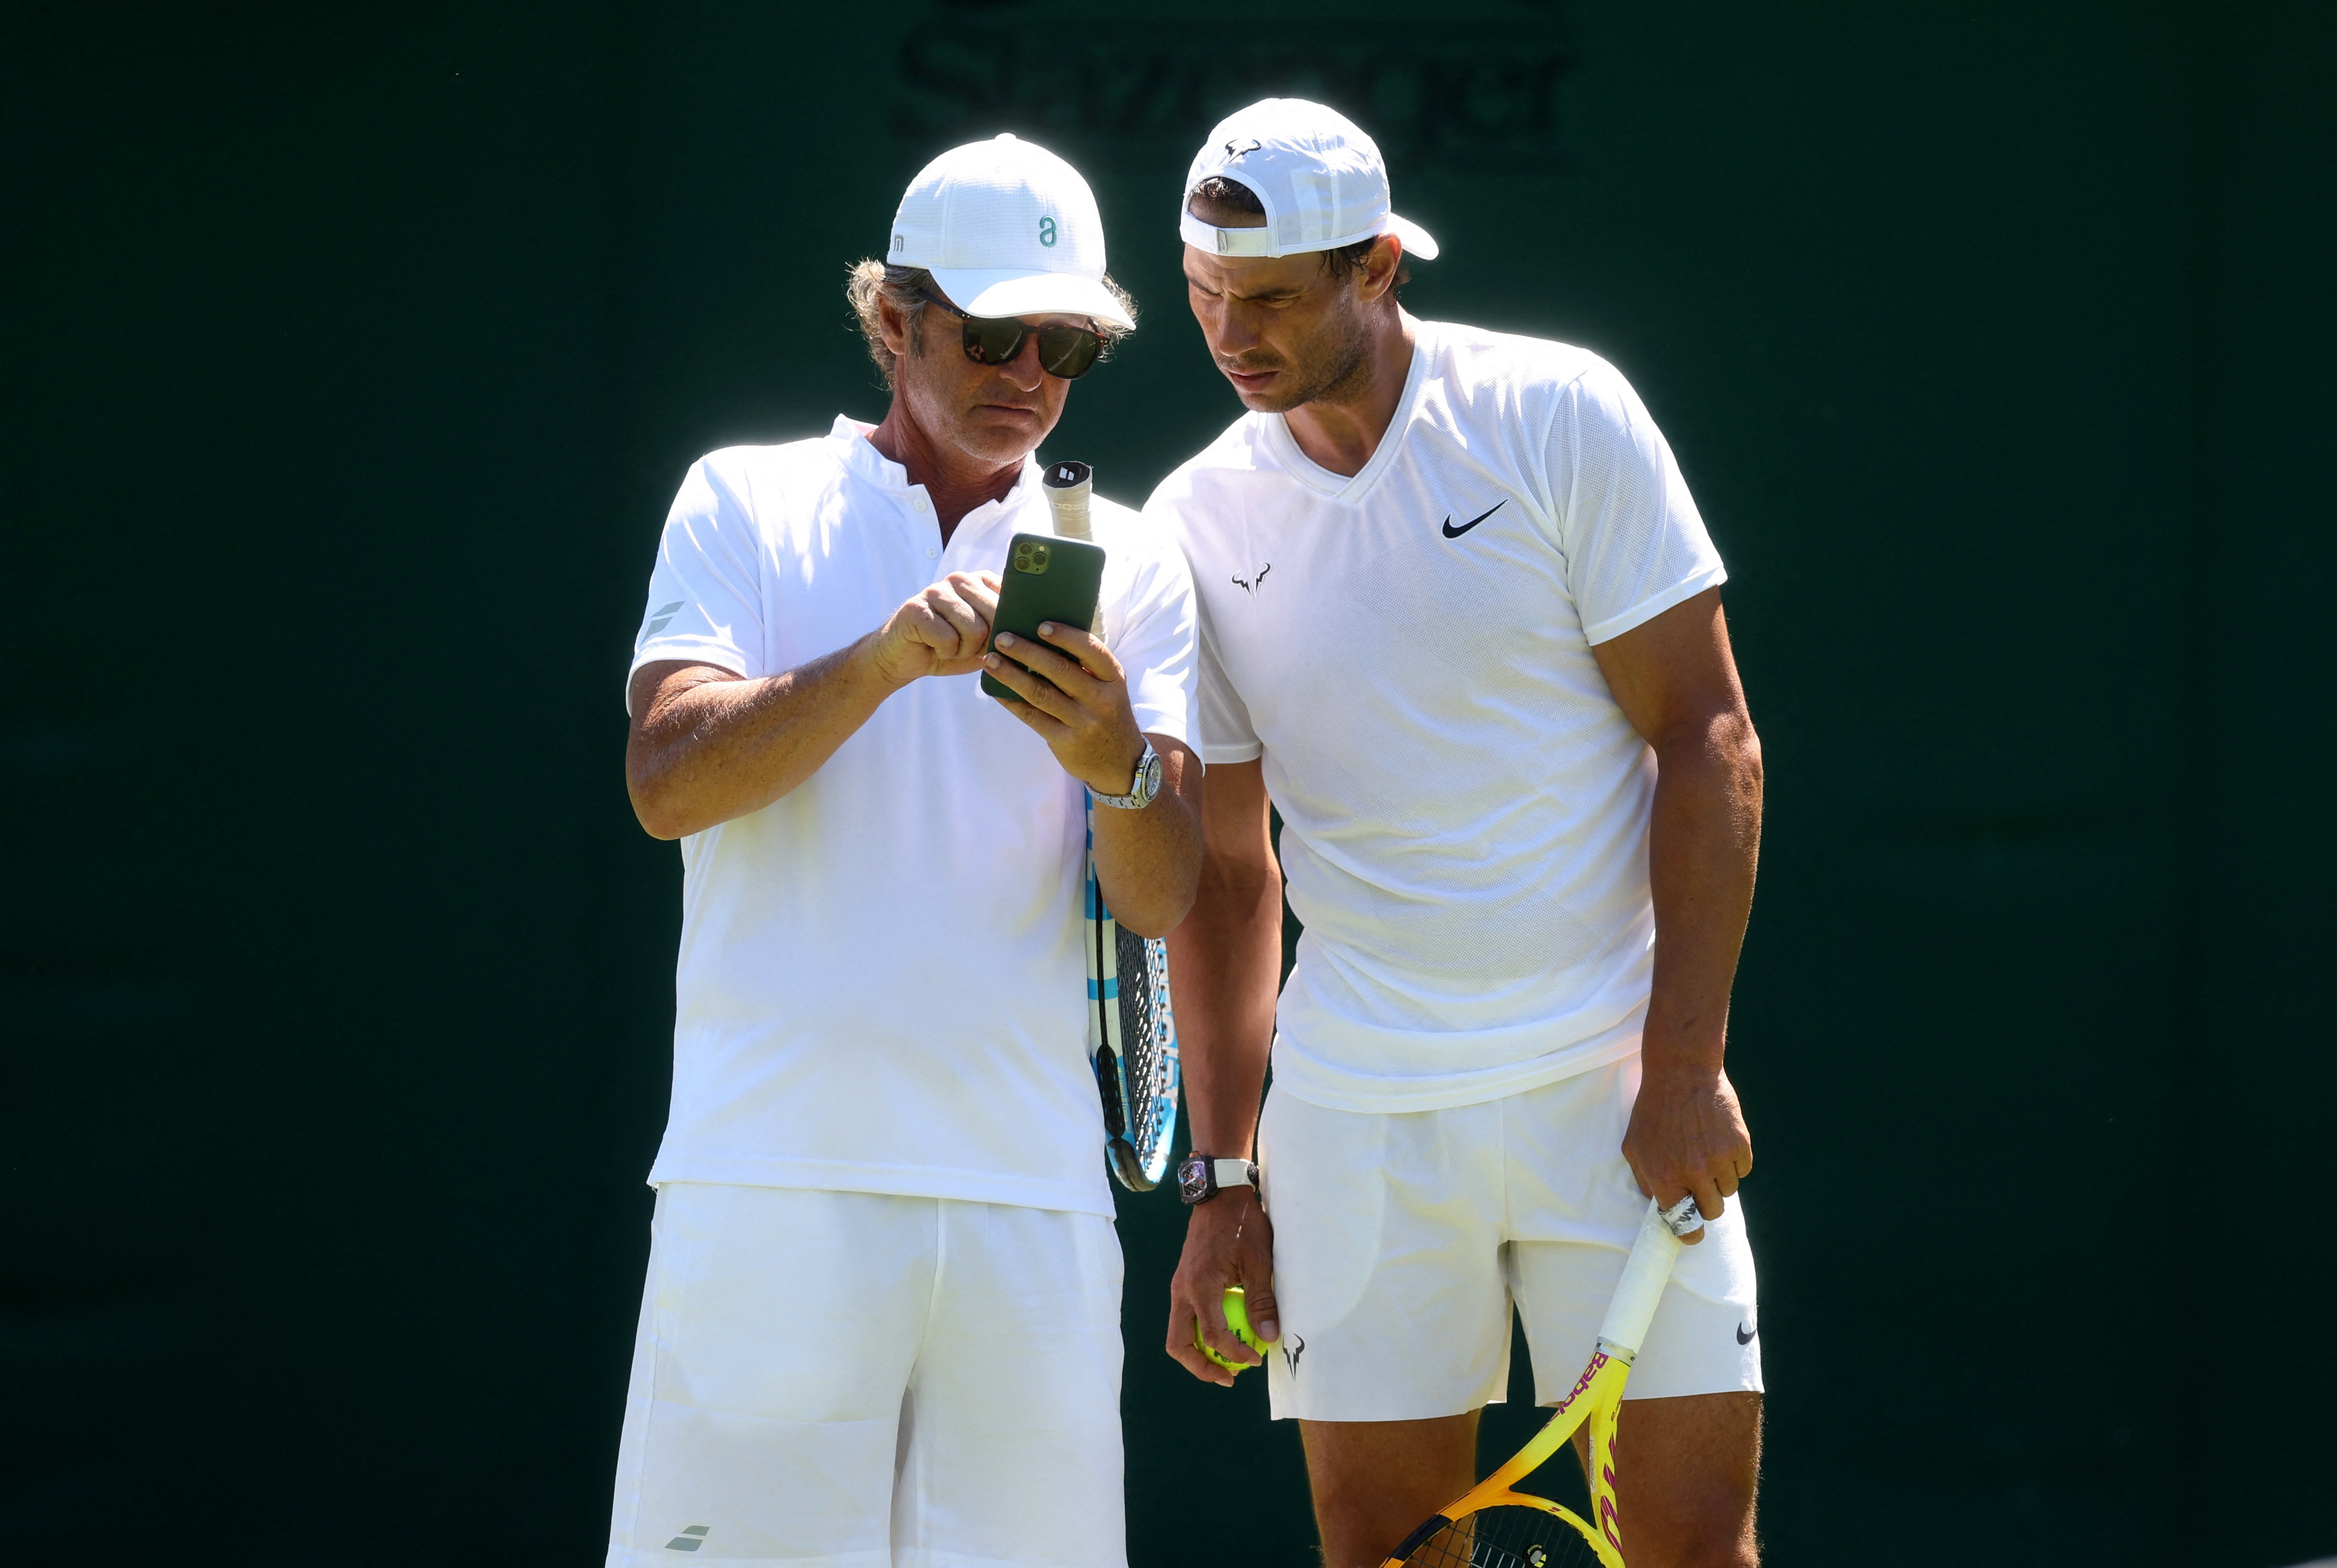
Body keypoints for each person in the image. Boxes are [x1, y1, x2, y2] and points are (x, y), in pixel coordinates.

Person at [1150, 100, 1767, 1568]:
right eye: (1201, 293)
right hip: (1356, 1121)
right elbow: (1231, 872)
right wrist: (1225, 1183)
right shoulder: (1192, 515)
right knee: (1378, 1553)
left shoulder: (1556, 413)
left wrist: (1682, 1064)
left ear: (1376, 266)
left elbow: (1708, 737)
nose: (1230, 332)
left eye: (1272, 298)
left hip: (1607, 1089)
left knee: (1694, 1550)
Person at [606, 133, 1203, 1568]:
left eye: (1065, 345)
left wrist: (1110, 760)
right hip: (769, 1190)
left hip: (1029, 1205)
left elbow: (1166, 893)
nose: (1030, 373)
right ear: (893, 320)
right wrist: (873, 667)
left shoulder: (1133, 557)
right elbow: (666, 785)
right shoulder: (739, 497)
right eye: (994, 333)